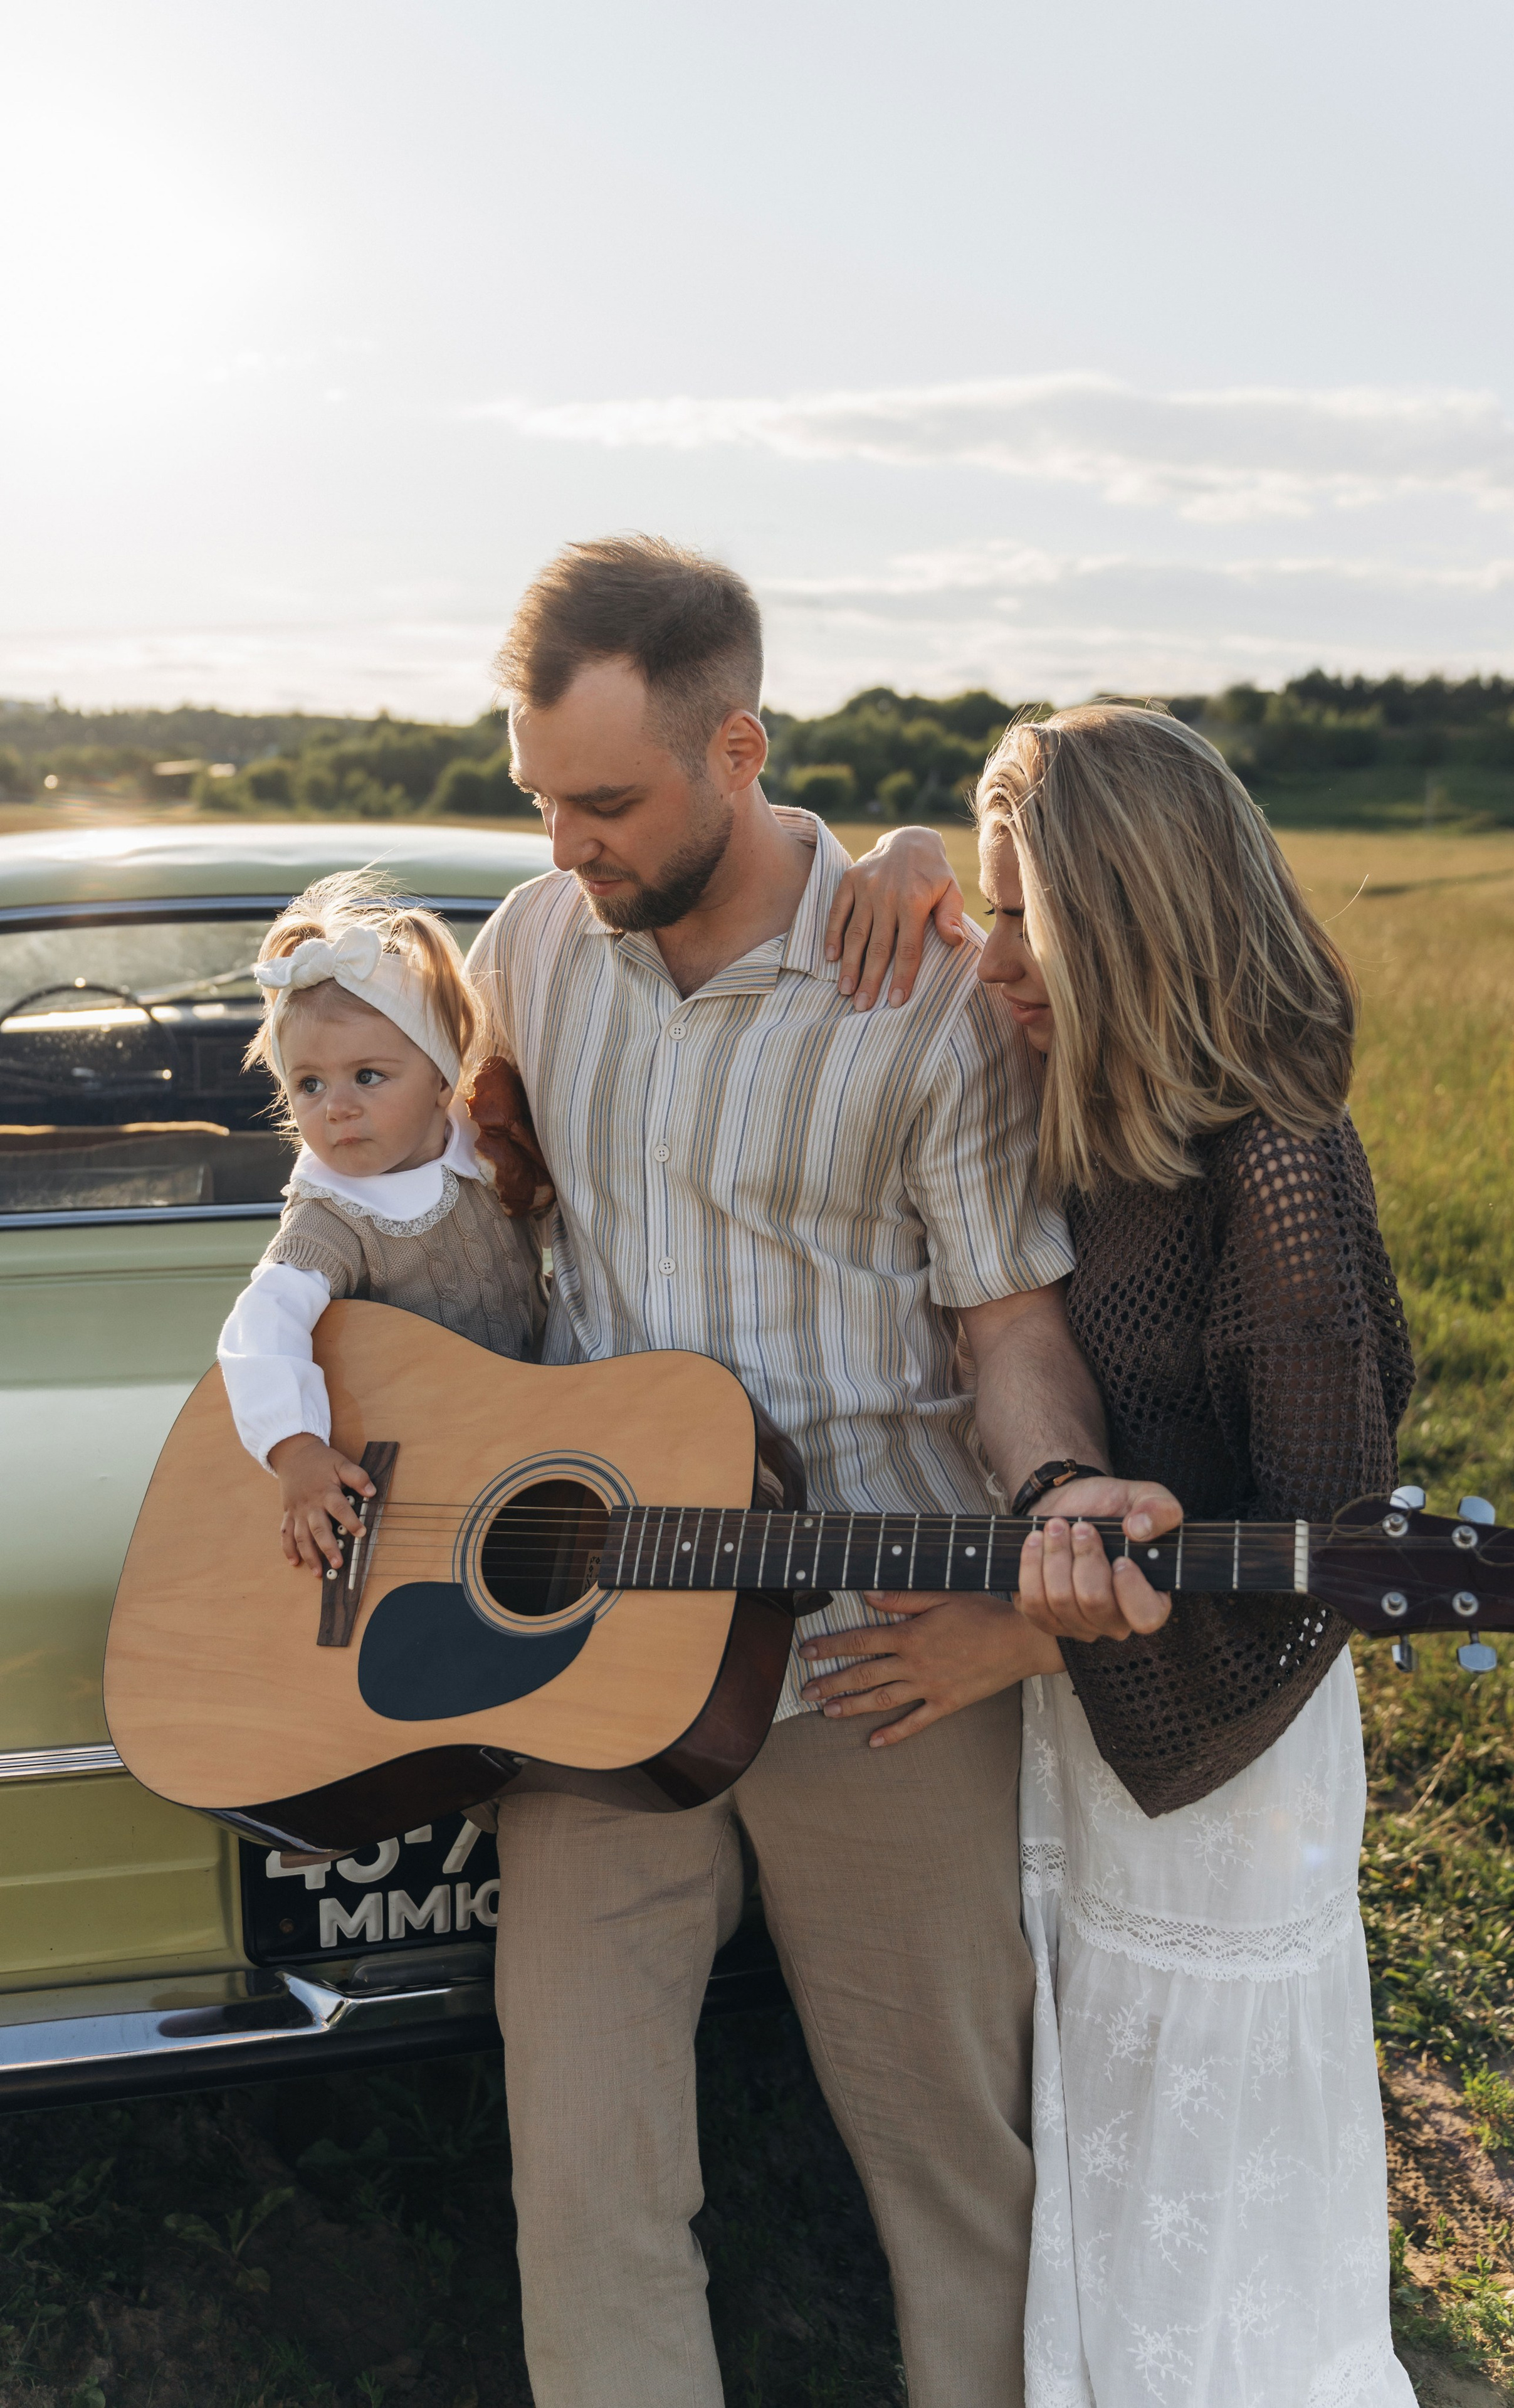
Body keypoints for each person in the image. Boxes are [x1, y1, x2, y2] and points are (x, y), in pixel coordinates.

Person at [465, 537, 1180, 2408]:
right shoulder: (534, 948)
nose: (564, 849)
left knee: (957, 2179)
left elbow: (1006, 1326)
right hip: (596, 1661)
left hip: (879, 1656)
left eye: (606, 804)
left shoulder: (925, 992)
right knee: (585, 2176)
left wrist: (1050, 1512)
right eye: (538, 798)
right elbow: (417, 1181)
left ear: (738, 750)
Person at [806, 706, 1417, 2406]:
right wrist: (918, 863)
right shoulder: (1083, 1086)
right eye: (993, 914)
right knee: (1092, 2122)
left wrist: (1018, 1641)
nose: (994, 958)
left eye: (1030, 923)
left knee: (1194, 2150)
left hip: (1228, 1741)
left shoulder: (1278, 1168)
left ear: (1131, 926)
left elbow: (1331, 1556)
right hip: (1093, 1697)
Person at [217, 874, 548, 1568]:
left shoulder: (490, 1155)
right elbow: (262, 1325)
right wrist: (295, 1447)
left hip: (527, 1443)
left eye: (368, 1075)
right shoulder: (332, 1217)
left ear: (439, 1079)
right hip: (414, 1491)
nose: (335, 1105)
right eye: (308, 1084)